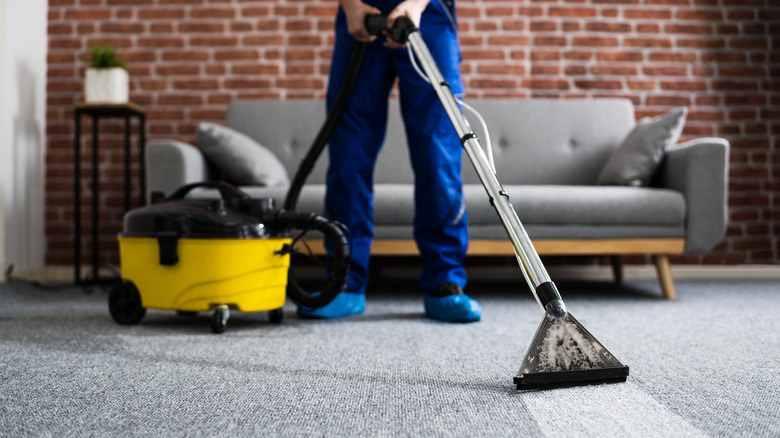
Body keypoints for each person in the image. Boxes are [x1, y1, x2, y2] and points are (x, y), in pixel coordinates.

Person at [298, 0, 481, 322]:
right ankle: (344, 281)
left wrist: (416, 4)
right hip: (360, 17)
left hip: (428, 16)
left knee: (438, 155)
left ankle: (445, 280)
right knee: (348, 154)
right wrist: (351, 5)